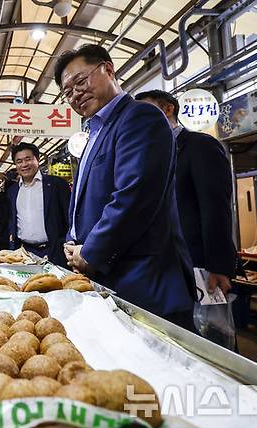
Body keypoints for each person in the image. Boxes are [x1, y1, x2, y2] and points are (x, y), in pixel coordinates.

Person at [55, 44, 195, 328]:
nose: (75, 94)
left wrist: (91, 252)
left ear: (108, 69)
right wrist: (73, 242)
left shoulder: (140, 117)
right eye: (67, 92)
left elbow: (134, 196)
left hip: (144, 283)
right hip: (109, 279)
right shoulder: (94, 132)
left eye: (80, 82)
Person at [135, 89, 236, 296]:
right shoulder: (147, 155)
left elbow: (216, 208)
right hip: (160, 264)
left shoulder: (200, 146)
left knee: (208, 326)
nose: (140, 120)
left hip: (198, 263)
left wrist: (218, 265)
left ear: (168, 109)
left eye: (145, 111)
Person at [6, 142, 71, 265]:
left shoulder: (57, 185)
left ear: (38, 159)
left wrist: (66, 244)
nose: (24, 164)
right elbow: (13, 220)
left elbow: (69, 217)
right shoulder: (13, 191)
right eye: (19, 161)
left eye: (28, 159)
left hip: (54, 251)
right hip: (24, 253)